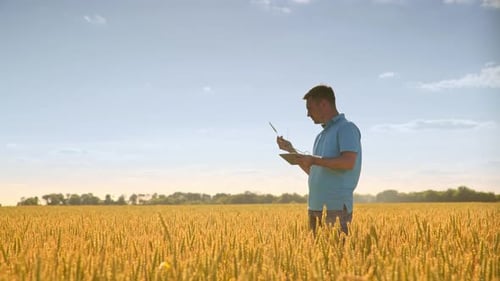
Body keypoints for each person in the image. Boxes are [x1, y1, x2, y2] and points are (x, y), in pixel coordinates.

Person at [277, 84, 362, 235]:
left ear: (323, 104)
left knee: (338, 254)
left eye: (309, 108)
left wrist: (314, 160)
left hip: (335, 207)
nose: (308, 114)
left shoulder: (346, 128)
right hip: (314, 207)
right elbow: (315, 171)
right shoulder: (321, 135)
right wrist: (291, 150)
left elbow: (348, 162)